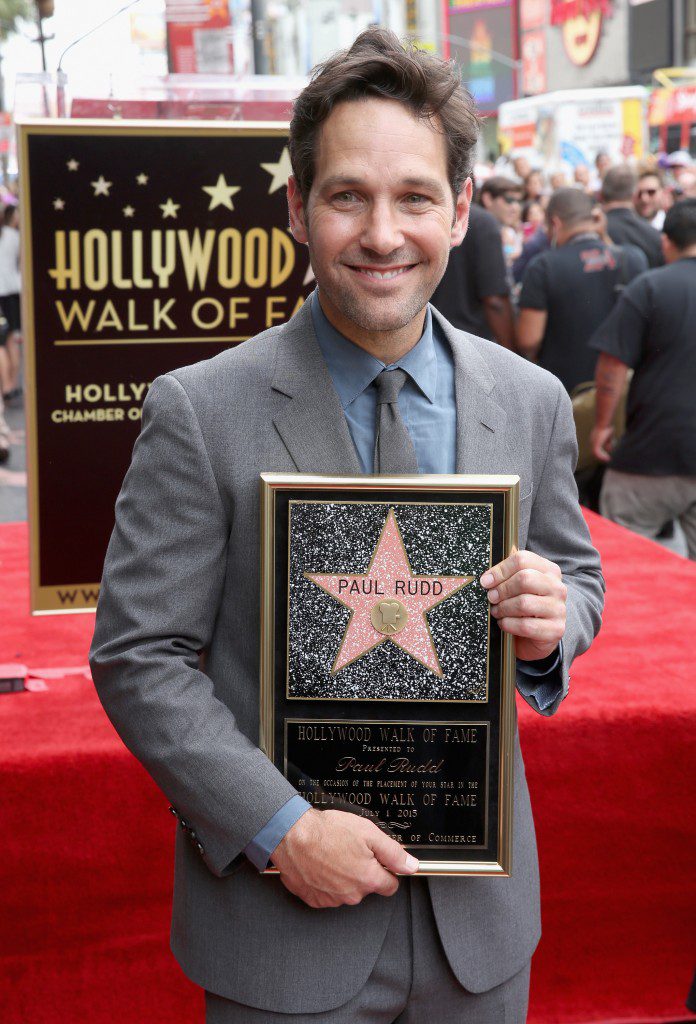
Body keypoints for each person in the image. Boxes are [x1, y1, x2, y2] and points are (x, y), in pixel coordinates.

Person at [90, 28, 604, 1023]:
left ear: (458, 210)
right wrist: (278, 828)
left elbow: (578, 578)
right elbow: (139, 654)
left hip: (479, 932)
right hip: (283, 934)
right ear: (297, 208)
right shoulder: (200, 408)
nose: (382, 234)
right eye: (347, 196)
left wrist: (558, 619)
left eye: (413, 197)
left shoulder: (531, 400)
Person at [590, 199, 696, 560]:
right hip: (661, 452)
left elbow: (612, 366)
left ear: (667, 242)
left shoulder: (649, 287)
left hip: (650, 454)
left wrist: (602, 426)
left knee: (623, 567)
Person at [516, 187, 647, 394]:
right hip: (623, 390)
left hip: (567, 391)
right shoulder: (633, 258)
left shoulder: (543, 267)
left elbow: (528, 340)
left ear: (555, 223)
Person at [430, 201, 514, 348]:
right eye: (507, 199)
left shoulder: (427, 217)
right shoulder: (484, 223)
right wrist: (511, 353)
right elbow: (495, 301)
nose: (513, 206)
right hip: (472, 342)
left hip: (430, 336)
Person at [602, 166, 664, 268]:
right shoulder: (654, 236)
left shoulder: (590, 234)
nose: (645, 199)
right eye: (641, 193)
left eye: (651, 192)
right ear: (635, 194)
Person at [0, 206, 21, 401]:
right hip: (12, 292)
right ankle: (11, 384)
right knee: (10, 339)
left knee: (3, 342)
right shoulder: (13, 236)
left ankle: (7, 386)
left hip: (5, 292)